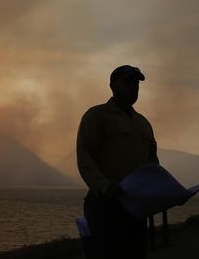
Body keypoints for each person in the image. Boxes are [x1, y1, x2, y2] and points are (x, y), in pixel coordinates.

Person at [77, 65, 158, 258]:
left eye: (137, 83)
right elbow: (85, 156)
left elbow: (152, 163)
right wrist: (103, 185)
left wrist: (163, 191)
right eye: (128, 82)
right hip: (105, 206)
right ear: (112, 86)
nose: (134, 87)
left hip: (135, 208)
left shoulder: (143, 123)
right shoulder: (97, 116)